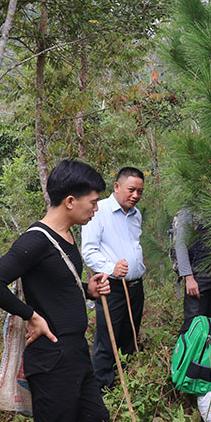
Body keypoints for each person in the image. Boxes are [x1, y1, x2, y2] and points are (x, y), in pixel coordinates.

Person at [0, 160, 116, 422]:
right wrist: (31, 315)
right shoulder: (35, 240)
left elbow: (59, 286)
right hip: (51, 355)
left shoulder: (66, 235)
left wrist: (88, 290)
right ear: (70, 201)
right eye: (93, 201)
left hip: (75, 351)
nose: (96, 208)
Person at [82, 167, 145, 391]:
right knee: (107, 341)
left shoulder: (136, 214)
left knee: (130, 336)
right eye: (131, 190)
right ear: (117, 187)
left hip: (136, 286)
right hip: (112, 287)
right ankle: (101, 389)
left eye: (139, 191)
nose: (135, 195)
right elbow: (89, 251)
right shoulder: (99, 211)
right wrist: (111, 268)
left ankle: (126, 384)